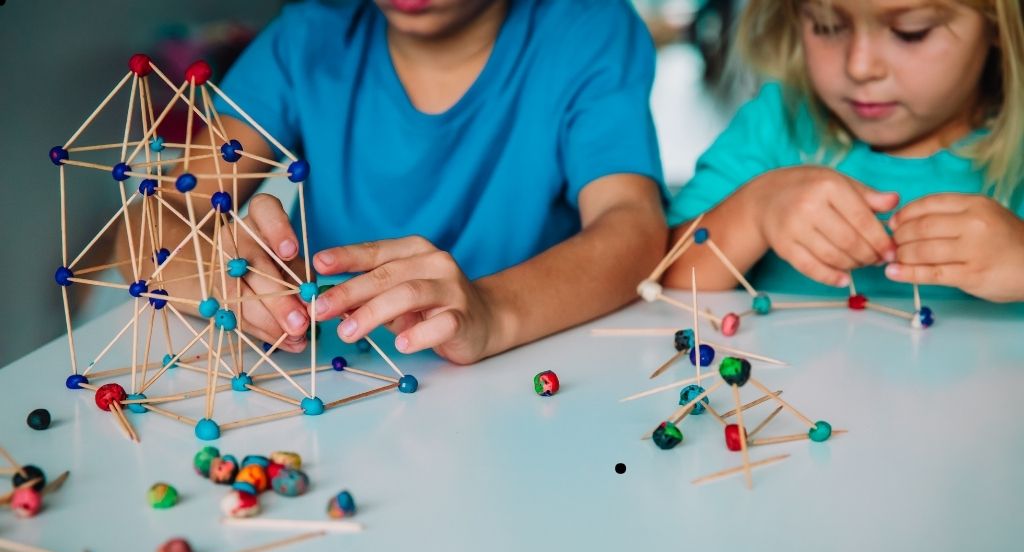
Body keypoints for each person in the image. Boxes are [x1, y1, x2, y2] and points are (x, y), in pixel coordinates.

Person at [117, 0, 667, 364]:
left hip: (533, 375)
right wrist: (219, 275)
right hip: (339, 385)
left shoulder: (588, 28)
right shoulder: (308, 35)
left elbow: (633, 226)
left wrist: (492, 311)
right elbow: (150, 218)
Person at [663, 0, 1024, 303]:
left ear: (995, 22)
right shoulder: (776, 124)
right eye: (827, 26)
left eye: (910, 32)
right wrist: (755, 212)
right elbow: (664, 281)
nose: (859, 66)